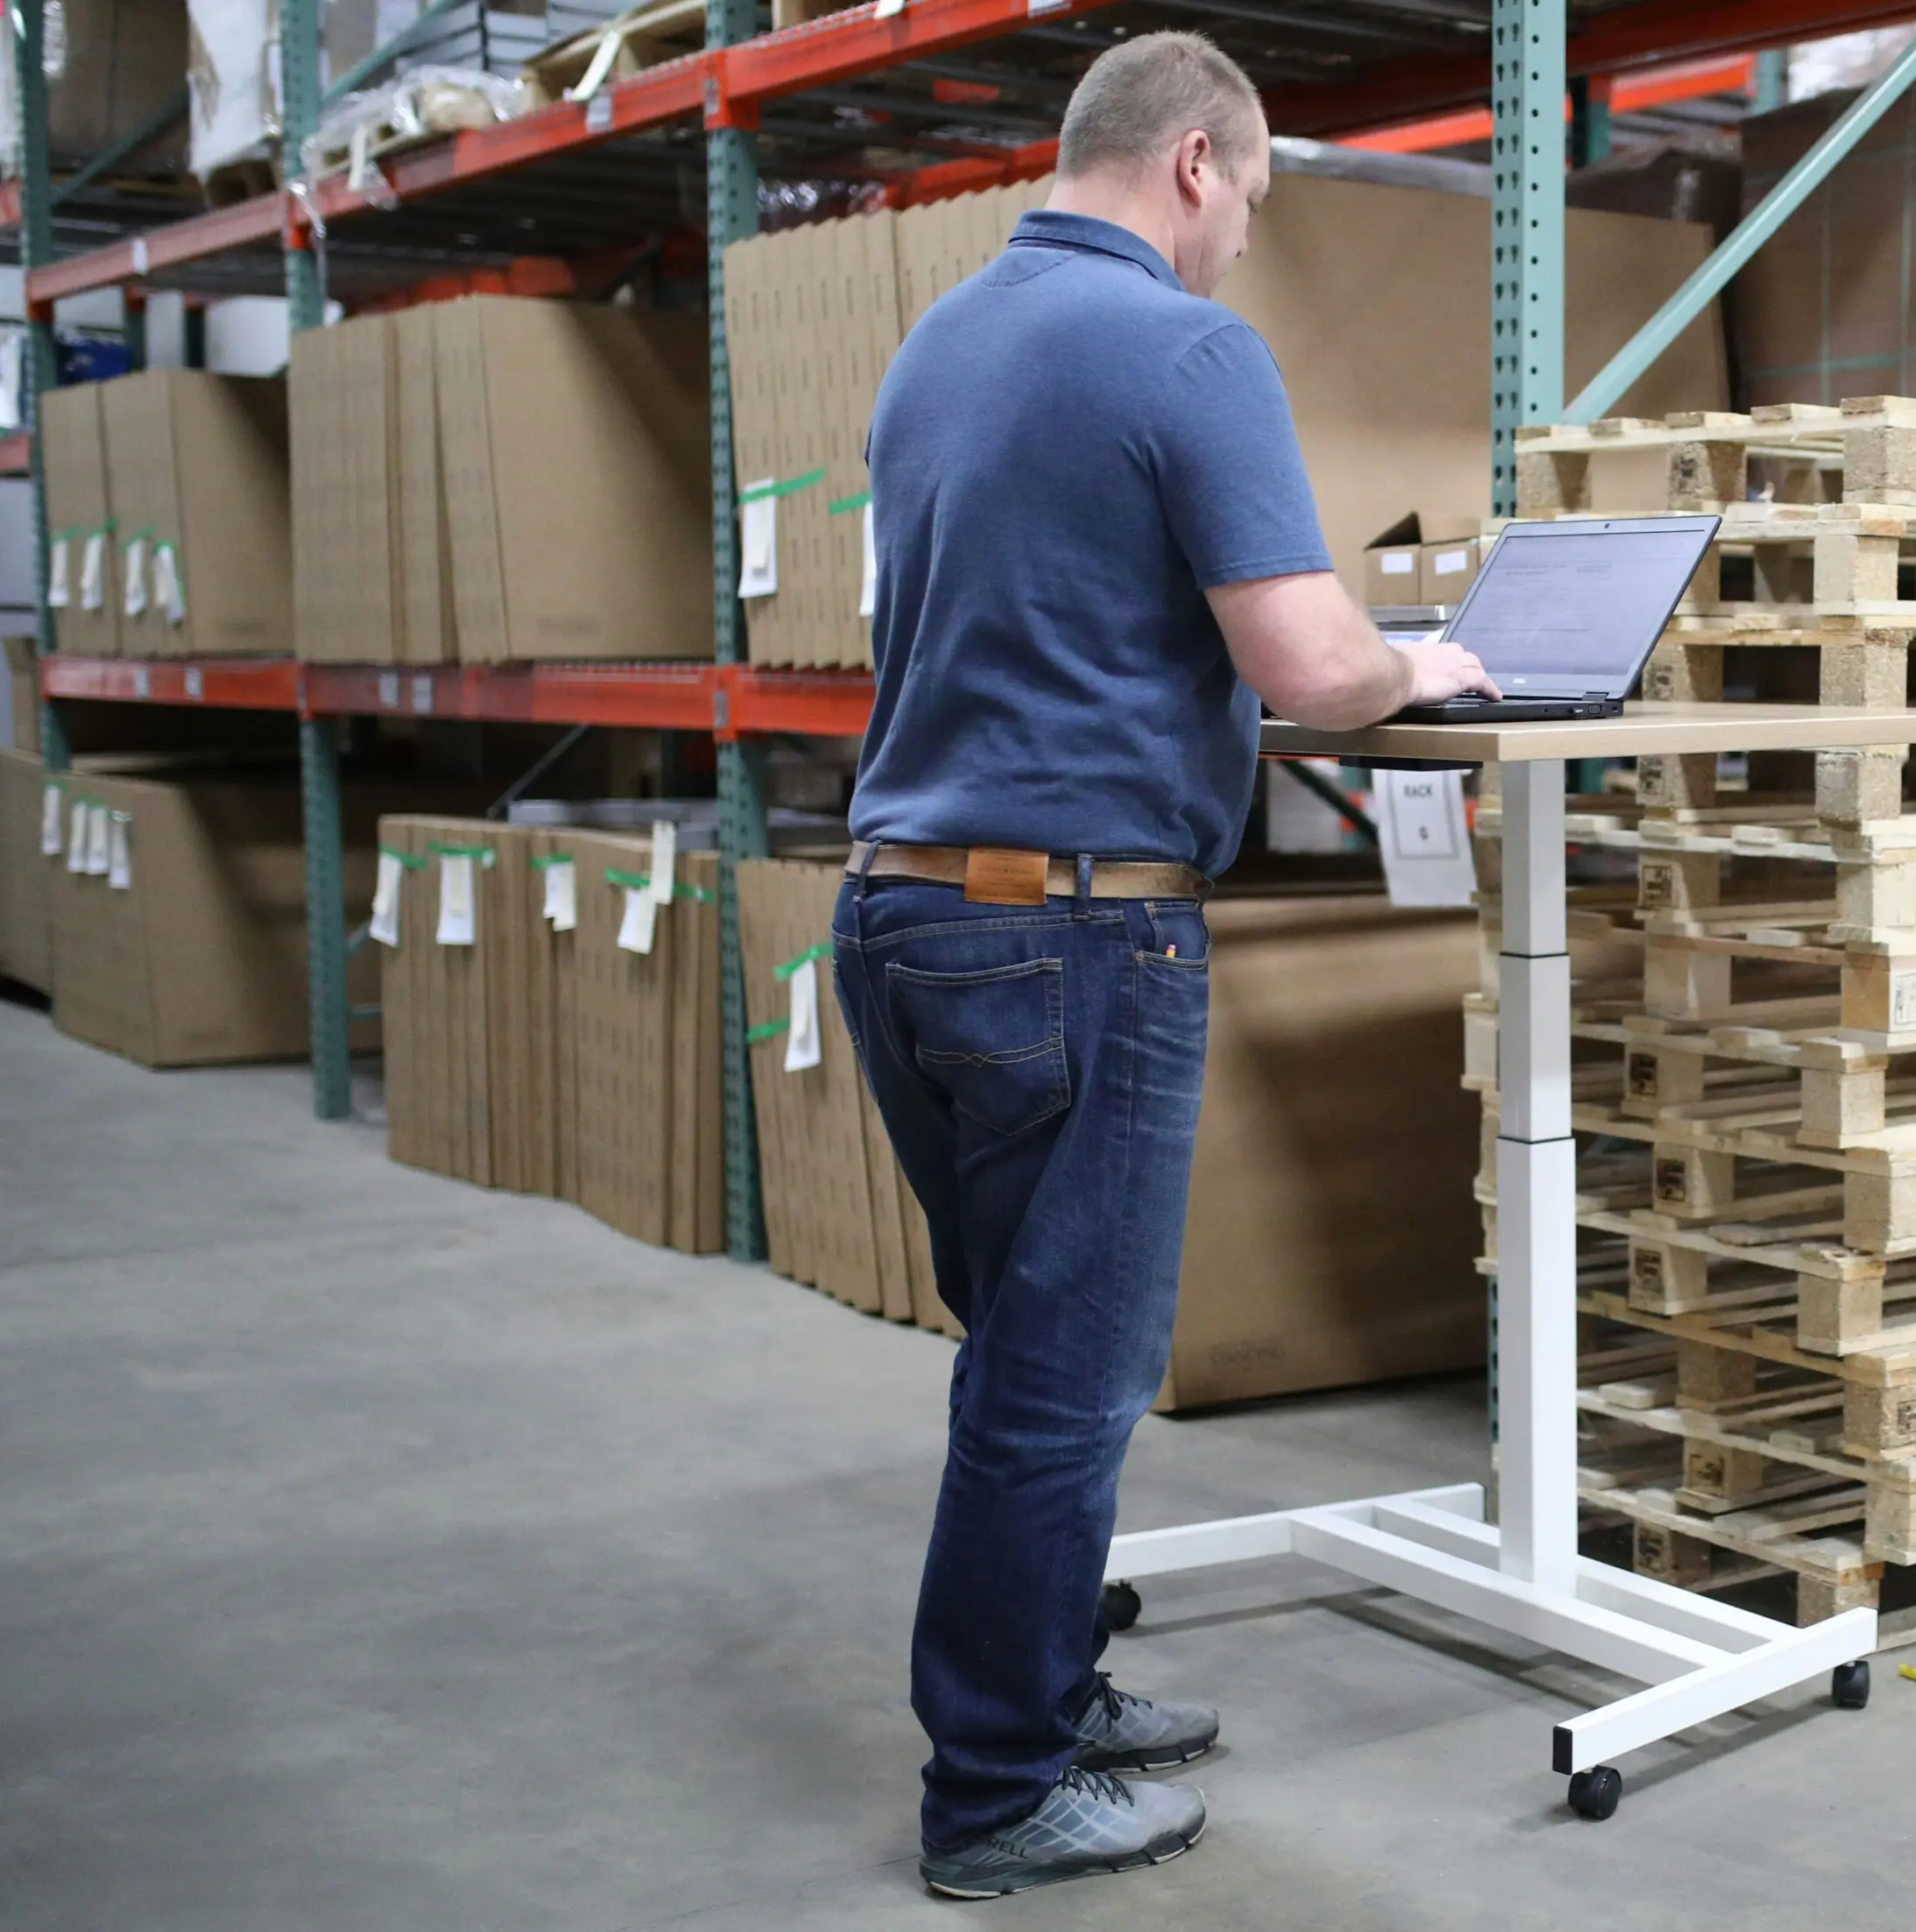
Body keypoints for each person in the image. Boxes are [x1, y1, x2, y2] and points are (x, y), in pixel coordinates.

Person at [827, 31, 1497, 1902]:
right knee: (1067, 1378)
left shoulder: (940, 343)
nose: (1241, 250)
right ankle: (997, 1792)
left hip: (904, 910)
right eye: (1254, 207)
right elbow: (1304, 665)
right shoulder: (1186, 349)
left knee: (1019, 1357)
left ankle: (1045, 1686)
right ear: (1196, 163)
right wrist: (1412, 668)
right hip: (1072, 927)